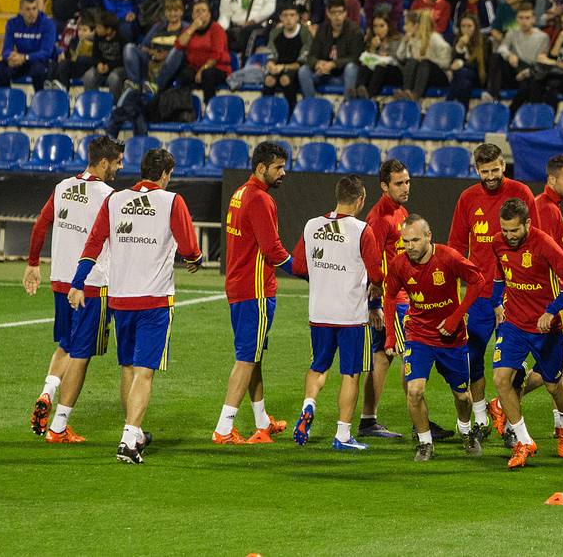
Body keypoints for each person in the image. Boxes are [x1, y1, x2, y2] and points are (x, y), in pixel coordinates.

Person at [70, 147, 202, 464]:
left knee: (128, 366)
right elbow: (189, 248)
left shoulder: (115, 200)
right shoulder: (172, 201)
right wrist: (195, 260)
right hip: (154, 299)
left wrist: (78, 281)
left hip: (121, 298)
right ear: (166, 174)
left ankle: (134, 431)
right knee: (145, 372)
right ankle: (129, 440)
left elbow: (93, 242)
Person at [23, 136, 124, 443]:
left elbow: (41, 224)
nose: (120, 167)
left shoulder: (63, 186)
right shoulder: (109, 196)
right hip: (91, 285)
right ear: (104, 162)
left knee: (66, 344)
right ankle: (58, 426)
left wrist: (32, 264)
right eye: (117, 162)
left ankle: (47, 392)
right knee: (81, 354)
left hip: (60, 280)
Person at [447, 143, 540, 433]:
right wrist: (455, 297)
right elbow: (456, 248)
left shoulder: (521, 193)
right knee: (472, 356)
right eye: (485, 171)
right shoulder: (467, 198)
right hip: (479, 296)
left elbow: (535, 240)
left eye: (495, 170)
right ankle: (481, 418)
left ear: (503, 165)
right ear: (477, 169)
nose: (491, 176)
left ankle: (512, 425)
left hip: (514, 296)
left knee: (512, 364)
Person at [289, 174, 385, 452]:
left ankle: (309, 405)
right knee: (350, 374)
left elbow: (298, 267)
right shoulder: (361, 230)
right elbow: (377, 272)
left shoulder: (312, 225)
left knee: (318, 366)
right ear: (360, 200)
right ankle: (343, 434)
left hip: (319, 312)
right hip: (350, 316)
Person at [210, 142, 295, 445]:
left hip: (238, 285)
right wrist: (303, 270)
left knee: (253, 356)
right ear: (262, 168)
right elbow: (272, 250)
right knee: (247, 358)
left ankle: (261, 422)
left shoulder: (239, 193)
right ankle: (223, 429)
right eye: (278, 167)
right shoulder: (260, 199)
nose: (283, 173)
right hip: (255, 289)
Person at [490, 197, 563, 469]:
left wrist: (552, 310)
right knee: (501, 378)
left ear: (528, 224)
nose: (508, 236)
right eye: (505, 230)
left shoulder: (544, 243)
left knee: (554, 386)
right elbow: (500, 274)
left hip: (547, 328)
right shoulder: (498, 242)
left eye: (514, 231)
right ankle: (523, 441)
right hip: (515, 324)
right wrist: (498, 302)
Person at [387, 214, 489, 461]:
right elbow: (390, 297)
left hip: (451, 339)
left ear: (429, 236)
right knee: (415, 391)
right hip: (418, 335)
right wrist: (390, 336)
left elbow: (478, 281)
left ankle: (465, 430)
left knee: (463, 397)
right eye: (405, 241)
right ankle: (425, 442)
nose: (409, 246)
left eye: (415, 240)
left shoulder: (448, 257)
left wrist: (456, 317)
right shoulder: (399, 264)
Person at [359, 159, 414, 441]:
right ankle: (421, 424)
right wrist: (375, 305)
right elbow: (371, 261)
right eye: (399, 183)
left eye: (406, 182)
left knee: (382, 358)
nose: (405, 187)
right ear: (384, 186)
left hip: (402, 296)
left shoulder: (400, 211)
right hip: (393, 300)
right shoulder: (379, 218)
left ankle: (368, 420)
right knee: (411, 356)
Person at [0, 0, 56, 91]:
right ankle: (5, 100)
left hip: (39, 61)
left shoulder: (47, 24)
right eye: (28, 9)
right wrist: (10, 58)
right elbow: (6, 49)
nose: (32, 13)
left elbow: (46, 52)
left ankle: (40, 100)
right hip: (20, 61)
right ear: (21, 10)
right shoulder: (12, 23)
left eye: (34, 9)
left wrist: (25, 57)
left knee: (38, 70)